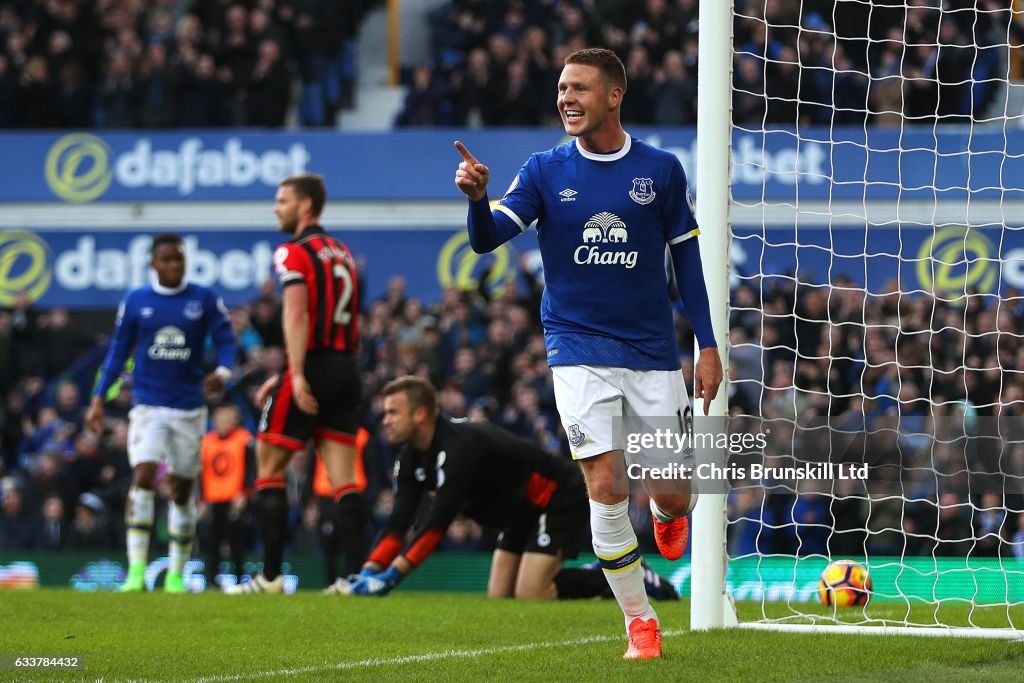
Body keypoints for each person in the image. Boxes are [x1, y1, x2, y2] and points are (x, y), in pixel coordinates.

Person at [453, 47, 722, 659]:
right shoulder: (544, 170)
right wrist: (477, 198)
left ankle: (669, 510)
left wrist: (706, 346)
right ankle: (640, 621)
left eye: (578, 88)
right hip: (575, 350)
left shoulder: (661, 169)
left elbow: (687, 261)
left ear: (613, 96)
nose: (565, 98)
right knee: (604, 485)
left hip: (654, 354)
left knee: (675, 491)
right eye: (561, 88)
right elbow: (487, 241)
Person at [339, 376, 678, 603]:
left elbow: (436, 524)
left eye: (392, 412)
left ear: (420, 414)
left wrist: (391, 578)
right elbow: (399, 521)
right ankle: (605, 576)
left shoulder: (460, 448)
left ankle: (609, 576)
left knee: (532, 592)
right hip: (520, 511)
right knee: (501, 596)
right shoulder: (410, 459)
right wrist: (369, 571)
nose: (384, 420)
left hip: (556, 494)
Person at [226, 173, 367, 593]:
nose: (276, 207)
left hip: (313, 366)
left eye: (282, 200)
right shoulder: (341, 253)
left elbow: (298, 314)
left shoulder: (293, 251)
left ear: (305, 205)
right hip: (346, 368)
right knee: (345, 478)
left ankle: (269, 577)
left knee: (268, 467)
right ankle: (353, 578)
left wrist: (297, 373)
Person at [86, 233, 237, 593]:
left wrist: (223, 371)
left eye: (178, 260)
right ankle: (136, 570)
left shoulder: (203, 299)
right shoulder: (137, 300)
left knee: (183, 489)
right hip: (148, 403)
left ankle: (175, 574)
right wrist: (97, 398)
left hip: (188, 406)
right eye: (166, 259)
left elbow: (227, 339)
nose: (173, 265)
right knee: (144, 474)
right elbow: (119, 349)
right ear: (153, 263)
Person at [199, 403, 253, 586]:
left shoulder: (243, 438)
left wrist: (245, 493)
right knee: (212, 541)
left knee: (236, 541)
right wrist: (202, 498)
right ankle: (211, 578)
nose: (225, 422)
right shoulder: (207, 441)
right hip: (213, 498)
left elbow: (250, 468)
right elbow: (202, 471)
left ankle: (239, 578)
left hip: (234, 498)